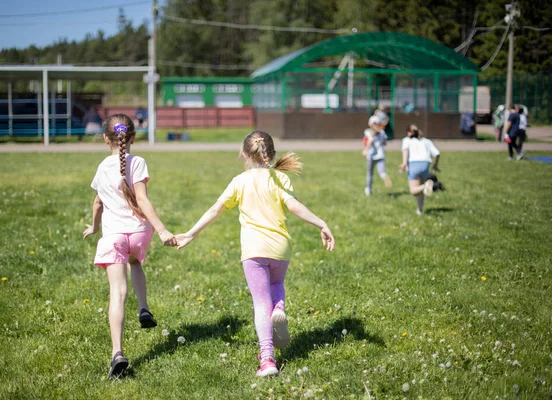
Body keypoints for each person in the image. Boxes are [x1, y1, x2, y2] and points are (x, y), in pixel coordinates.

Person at [174, 131, 335, 377]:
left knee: (261, 303)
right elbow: (294, 205)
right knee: (277, 284)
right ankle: (279, 307)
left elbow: (216, 209)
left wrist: (192, 233)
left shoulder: (239, 181)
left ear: (244, 154)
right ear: (271, 154)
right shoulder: (281, 178)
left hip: (253, 250)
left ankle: (268, 359)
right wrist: (321, 223)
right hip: (280, 247)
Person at [82, 113, 177, 379]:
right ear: (133, 137)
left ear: (105, 139)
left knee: (117, 292)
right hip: (138, 234)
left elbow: (98, 203)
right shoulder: (139, 162)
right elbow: (143, 201)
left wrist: (94, 227)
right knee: (136, 262)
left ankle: (117, 354)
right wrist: (161, 229)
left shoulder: (102, 167)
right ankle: (144, 307)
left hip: (113, 236)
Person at [399, 124, 441, 216]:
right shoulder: (427, 141)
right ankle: (420, 210)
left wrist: (404, 163)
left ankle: (426, 185)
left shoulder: (406, 140)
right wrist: (435, 165)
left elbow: (405, 151)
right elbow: (437, 154)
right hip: (425, 164)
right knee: (420, 191)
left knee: (413, 190)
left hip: (414, 164)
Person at [362, 116, 392, 196]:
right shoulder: (382, 133)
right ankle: (384, 176)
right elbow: (385, 142)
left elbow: (369, 140)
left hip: (371, 156)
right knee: (382, 172)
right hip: (381, 155)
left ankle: (368, 189)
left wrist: (365, 150)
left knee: (369, 173)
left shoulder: (368, 132)